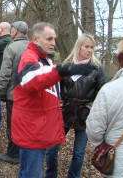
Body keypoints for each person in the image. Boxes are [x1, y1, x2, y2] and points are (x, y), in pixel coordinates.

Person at [11, 22, 94, 177]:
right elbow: (31, 80)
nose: (53, 43)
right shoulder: (29, 57)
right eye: (49, 39)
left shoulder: (45, 59)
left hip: (38, 128)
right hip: (32, 131)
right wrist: (64, 70)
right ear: (35, 39)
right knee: (31, 173)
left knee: (27, 171)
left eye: (54, 39)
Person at [45, 34, 107, 178]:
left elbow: (103, 92)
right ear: (79, 47)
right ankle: (50, 175)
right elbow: (56, 86)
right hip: (64, 111)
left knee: (78, 154)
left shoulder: (97, 68)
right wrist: (58, 103)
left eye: (92, 47)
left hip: (84, 115)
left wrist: (89, 108)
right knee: (52, 149)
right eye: (86, 46)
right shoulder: (67, 65)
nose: (90, 50)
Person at [86, 37, 123, 178]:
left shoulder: (109, 90)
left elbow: (94, 130)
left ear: (120, 59)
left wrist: (102, 146)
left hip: (119, 165)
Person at [0, 21, 29, 164]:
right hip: (30, 94)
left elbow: (5, 72)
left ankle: (12, 154)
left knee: (13, 125)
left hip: (14, 94)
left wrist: (1, 91)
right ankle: (26, 152)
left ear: (15, 31)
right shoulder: (33, 46)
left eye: (12, 30)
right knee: (27, 124)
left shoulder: (11, 47)